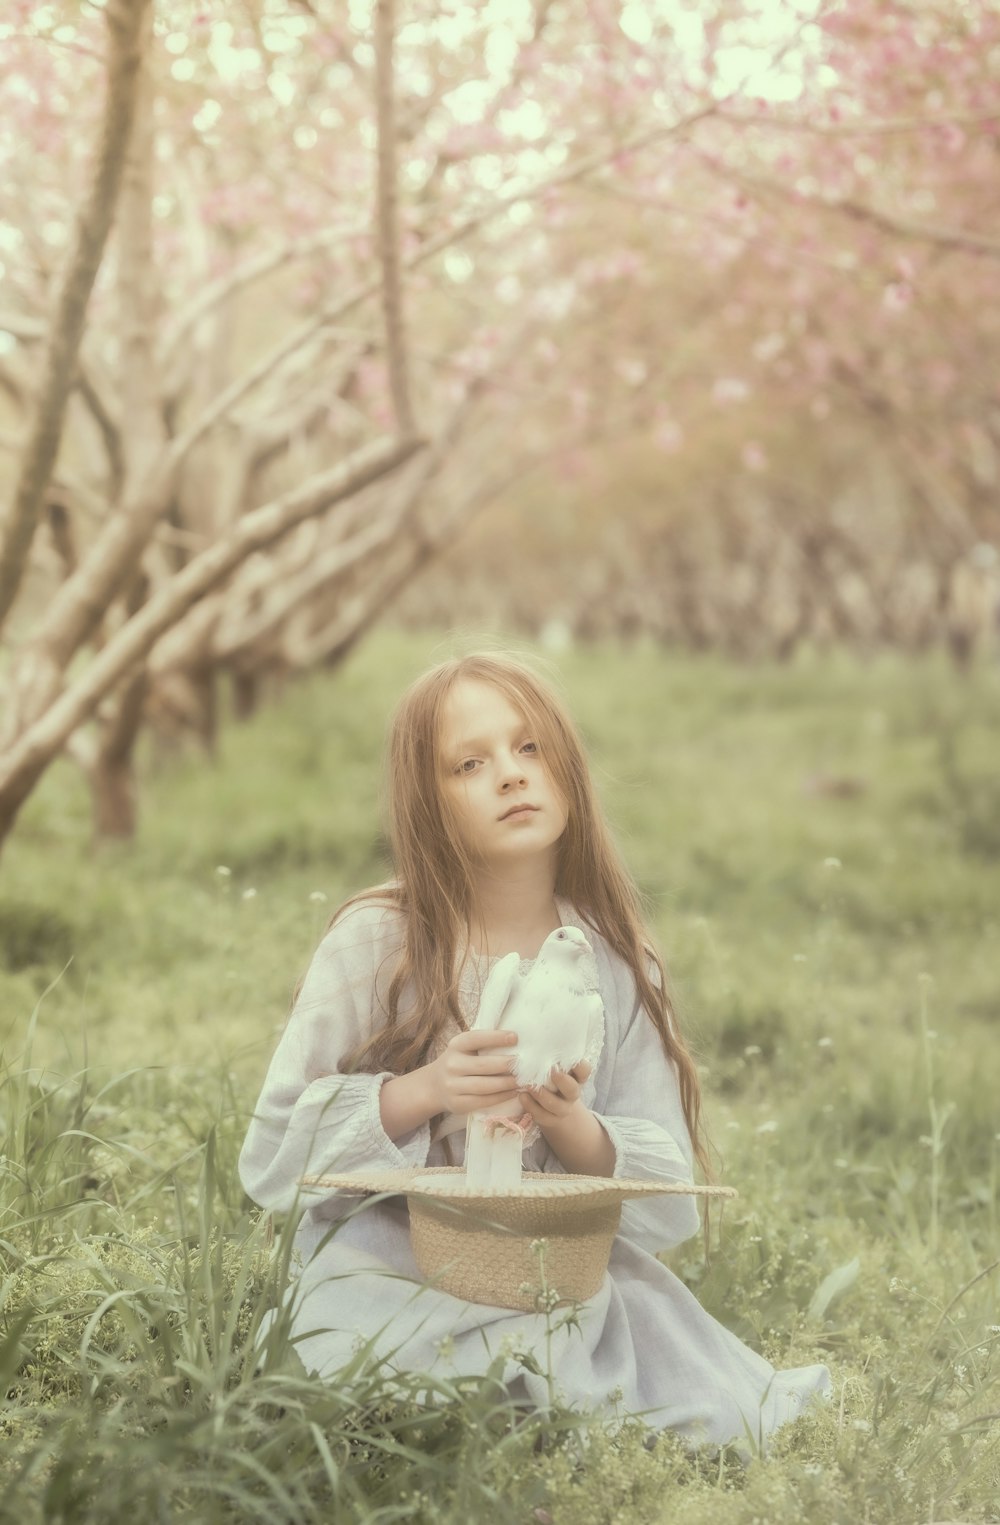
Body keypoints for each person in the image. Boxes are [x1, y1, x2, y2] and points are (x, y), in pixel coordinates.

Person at [239, 652, 831, 1449]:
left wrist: (574, 1126)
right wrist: (426, 1088)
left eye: (529, 749)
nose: (511, 776)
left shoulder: (615, 960)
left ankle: (529, 1410)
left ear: (568, 768)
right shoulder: (377, 942)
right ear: (429, 802)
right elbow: (274, 1154)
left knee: (705, 1408)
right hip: (396, 1260)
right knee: (354, 1355)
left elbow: (669, 1197)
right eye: (470, 763)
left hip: (561, 1276)